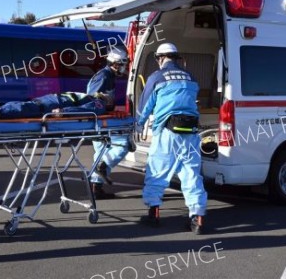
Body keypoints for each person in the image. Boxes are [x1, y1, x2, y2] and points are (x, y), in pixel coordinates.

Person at [136, 43, 207, 234]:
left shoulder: (157, 77)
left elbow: (145, 106)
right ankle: (197, 218)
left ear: (160, 58)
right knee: (192, 174)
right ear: (176, 58)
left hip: (167, 133)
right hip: (191, 132)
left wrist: (137, 125)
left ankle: (154, 213)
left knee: (157, 172)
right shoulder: (191, 77)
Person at [86, 46, 129, 199]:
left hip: (101, 119)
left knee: (101, 152)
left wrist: (112, 109)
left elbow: (104, 100)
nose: (124, 68)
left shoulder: (108, 76)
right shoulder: (104, 76)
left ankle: (96, 189)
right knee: (124, 144)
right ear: (115, 63)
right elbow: (92, 99)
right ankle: (102, 167)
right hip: (100, 121)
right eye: (123, 64)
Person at [0, 92, 109, 119]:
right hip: (52, 100)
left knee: (25, 108)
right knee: (25, 105)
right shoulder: (90, 96)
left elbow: (87, 111)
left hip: (54, 104)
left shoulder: (100, 103)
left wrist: (64, 111)